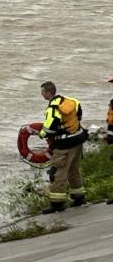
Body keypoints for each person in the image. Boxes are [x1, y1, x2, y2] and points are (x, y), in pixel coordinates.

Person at [37, 81, 88, 213]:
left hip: (65, 144)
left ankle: (57, 203)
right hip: (78, 139)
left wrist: (41, 134)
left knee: (58, 172)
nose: (41, 94)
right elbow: (79, 113)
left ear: (48, 92)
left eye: (42, 92)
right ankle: (79, 197)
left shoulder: (52, 109)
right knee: (74, 170)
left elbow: (50, 127)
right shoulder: (70, 101)